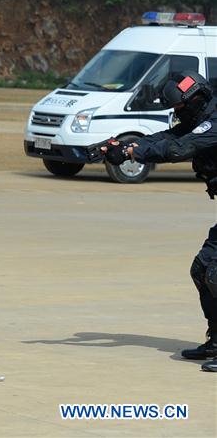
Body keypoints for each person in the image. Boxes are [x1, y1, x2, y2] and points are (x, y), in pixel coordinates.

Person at [101, 71, 217, 373]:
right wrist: (126, 147)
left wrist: (133, 152)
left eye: (179, 107)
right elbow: (170, 137)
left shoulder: (214, 121)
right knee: (202, 269)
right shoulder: (199, 116)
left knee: (216, 273)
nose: (177, 112)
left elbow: (180, 148)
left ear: (196, 99)